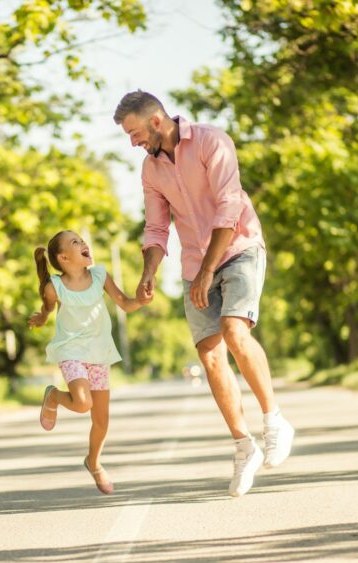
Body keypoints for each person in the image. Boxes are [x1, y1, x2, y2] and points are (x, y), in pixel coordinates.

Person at [114, 90, 295, 498]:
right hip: (195, 263)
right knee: (209, 355)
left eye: (135, 132)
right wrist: (149, 272)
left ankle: (274, 421)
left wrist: (208, 270)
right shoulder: (151, 170)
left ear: (157, 121)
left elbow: (229, 208)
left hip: (239, 248)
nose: (133, 142)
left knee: (234, 329)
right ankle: (242, 444)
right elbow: (157, 228)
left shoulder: (213, 142)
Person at [29, 230, 144, 494]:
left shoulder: (100, 275)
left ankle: (93, 462)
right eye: (75, 242)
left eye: (81, 240)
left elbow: (125, 303)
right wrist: (42, 318)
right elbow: (47, 308)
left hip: (99, 353)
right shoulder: (54, 287)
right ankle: (54, 396)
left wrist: (141, 300)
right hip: (71, 350)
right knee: (82, 403)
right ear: (64, 258)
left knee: (101, 422)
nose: (83, 243)